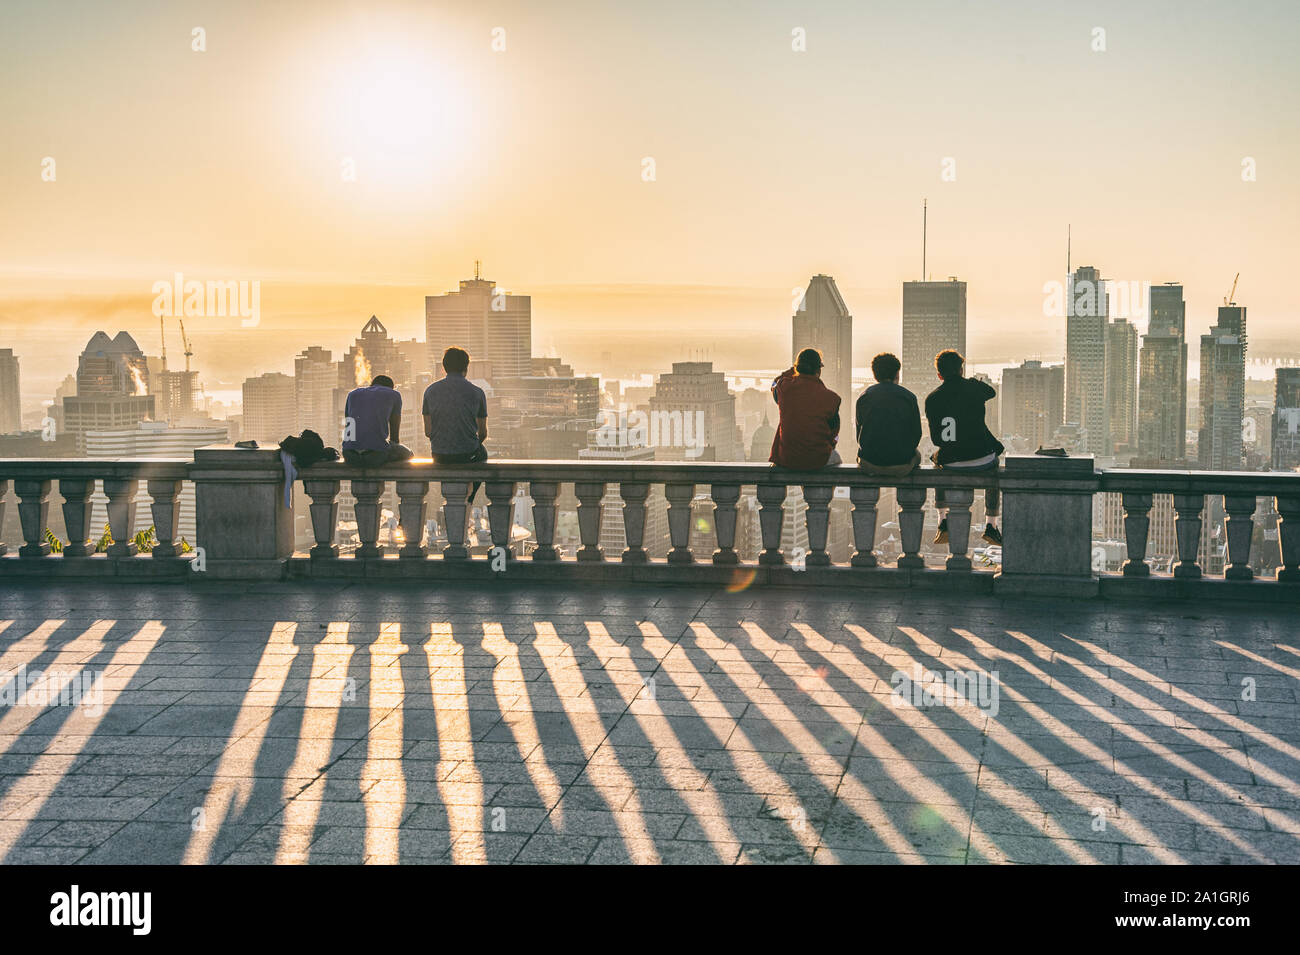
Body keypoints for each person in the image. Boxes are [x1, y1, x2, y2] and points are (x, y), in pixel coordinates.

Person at [924, 349, 1004, 546]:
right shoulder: (973, 389)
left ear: (939, 375)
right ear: (961, 370)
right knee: (995, 467)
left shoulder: (932, 399)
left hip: (951, 461)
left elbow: (936, 439)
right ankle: (991, 525)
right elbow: (991, 392)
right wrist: (971, 381)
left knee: (937, 460)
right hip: (982, 458)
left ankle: (943, 521)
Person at [422, 346, 488, 502]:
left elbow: (428, 431)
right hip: (467, 455)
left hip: (439, 456)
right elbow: (483, 433)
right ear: (466, 367)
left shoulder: (430, 391)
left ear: (444, 367)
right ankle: (470, 498)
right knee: (483, 453)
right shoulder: (477, 392)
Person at [769, 347, 842, 469]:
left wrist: (792, 370)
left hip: (787, 458)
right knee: (836, 459)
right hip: (818, 458)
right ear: (818, 370)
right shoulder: (831, 398)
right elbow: (835, 432)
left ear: (797, 368)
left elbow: (774, 383)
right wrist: (832, 444)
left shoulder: (784, 389)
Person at [856, 352, 921, 477]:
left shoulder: (864, 397)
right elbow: (916, 434)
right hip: (901, 464)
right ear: (897, 373)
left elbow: (859, 434)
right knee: (917, 455)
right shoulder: (909, 397)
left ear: (875, 375)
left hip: (870, 463)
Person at [341, 375, 414, 467]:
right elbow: (394, 435)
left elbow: (348, 425)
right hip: (375, 456)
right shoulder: (394, 394)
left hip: (350, 455)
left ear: (372, 385)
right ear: (391, 388)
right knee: (409, 454)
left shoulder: (352, 394)